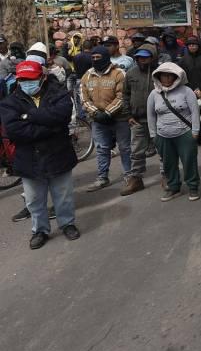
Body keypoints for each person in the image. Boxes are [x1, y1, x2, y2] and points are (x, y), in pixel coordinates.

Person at [0, 61, 80, 249]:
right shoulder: (10, 102)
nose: (27, 83)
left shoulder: (58, 93)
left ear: (42, 78)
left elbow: (62, 117)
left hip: (58, 154)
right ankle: (40, 230)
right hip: (29, 159)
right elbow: (15, 131)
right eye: (23, 80)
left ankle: (67, 223)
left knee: (63, 195)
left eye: (31, 79)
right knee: (34, 200)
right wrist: (50, 127)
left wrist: (30, 117)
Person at [147, 62, 201, 201]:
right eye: (163, 76)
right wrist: (153, 134)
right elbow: (151, 115)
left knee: (189, 161)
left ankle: (193, 187)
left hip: (185, 133)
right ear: (158, 77)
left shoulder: (186, 91)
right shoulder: (154, 94)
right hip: (163, 135)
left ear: (176, 77)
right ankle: (173, 188)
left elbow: (195, 111)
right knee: (168, 163)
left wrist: (195, 131)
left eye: (170, 75)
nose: (166, 78)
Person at [81, 45, 131, 192]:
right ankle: (102, 177)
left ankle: (129, 175)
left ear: (106, 57)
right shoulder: (87, 75)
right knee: (102, 148)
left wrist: (109, 112)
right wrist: (95, 113)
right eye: (93, 57)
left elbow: (123, 96)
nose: (95, 60)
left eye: (98, 57)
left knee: (125, 148)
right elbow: (84, 98)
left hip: (119, 118)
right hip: (98, 120)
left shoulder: (119, 73)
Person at [120, 43, 158, 196]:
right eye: (140, 57)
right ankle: (136, 179)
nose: (143, 60)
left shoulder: (159, 72)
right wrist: (128, 115)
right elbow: (125, 95)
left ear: (152, 57)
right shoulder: (131, 73)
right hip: (137, 119)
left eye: (146, 57)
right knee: (136, 151)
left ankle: (167, 176)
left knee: (162, 149)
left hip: (157, 119)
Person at [178, 35, 201, 147]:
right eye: (189, 45)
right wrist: (192, 90)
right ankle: (196, 137)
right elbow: (182, 78)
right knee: (192, 116)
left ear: (199, 45)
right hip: (189, 92)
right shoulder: (183, 60)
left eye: (194, 44)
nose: (192, 46)